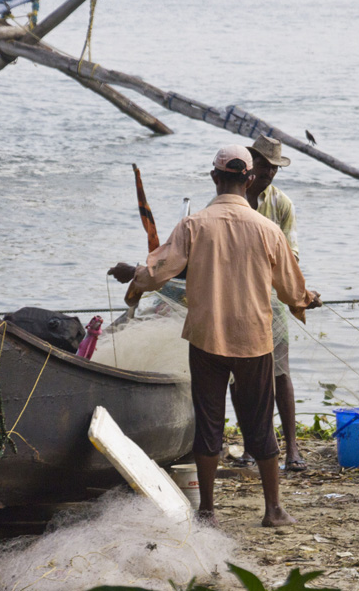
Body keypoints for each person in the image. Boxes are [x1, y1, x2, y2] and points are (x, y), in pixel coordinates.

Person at [108, 145, 322, 527]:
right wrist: (308, 300)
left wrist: (134, 274)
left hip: (207, 339)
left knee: (209, 423)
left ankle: (206, 511)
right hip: (254, 340)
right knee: (259, 422)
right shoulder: (268, 229)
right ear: (250, 180)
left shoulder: (194, 225)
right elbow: (291, 289)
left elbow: (157, 273)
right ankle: (273, 510)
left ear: (214, 178)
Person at [231, 135, 307, 472]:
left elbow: (290, 257)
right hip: (234, 298)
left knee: (279, 373)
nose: (269, 173)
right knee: (238, 375)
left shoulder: (281, 204)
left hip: (271, 298)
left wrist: (297, 292)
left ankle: (291, 449)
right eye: (263, 166)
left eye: (274, 168)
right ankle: (250, 447)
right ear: (250, 164)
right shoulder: (231, 200)